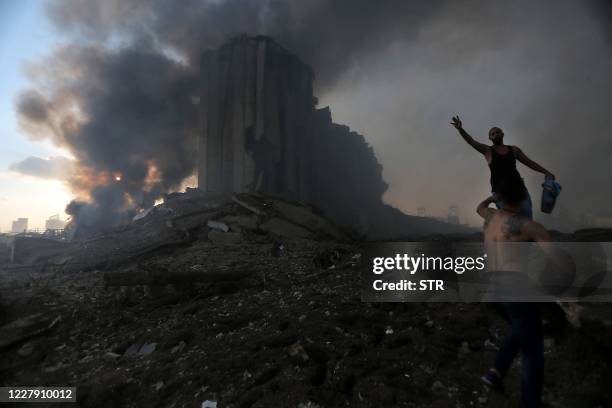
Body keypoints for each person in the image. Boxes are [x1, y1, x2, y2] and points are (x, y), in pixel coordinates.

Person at [476, 177, 549, 408]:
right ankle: (530, 403)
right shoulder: (528, 225)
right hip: (515, 288)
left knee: (521, 328)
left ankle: (495, 373)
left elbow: (479, 207)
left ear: (501, 198)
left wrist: (492, 198)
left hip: (493, 288)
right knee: (532, 351)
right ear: (525, 197)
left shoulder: (490, 216)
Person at [452, 115, 554, 219]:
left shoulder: (513, 150)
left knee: (527, 220)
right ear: (490, 138)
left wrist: (546, 172)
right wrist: (461, 129)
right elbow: (471, 141)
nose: (495, 134)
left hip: (519, 191)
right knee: (510, 222)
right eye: (492, 133)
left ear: (502, 134)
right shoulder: (488, 151)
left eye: (497, 132)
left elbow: (529, 162)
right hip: (501, 193)